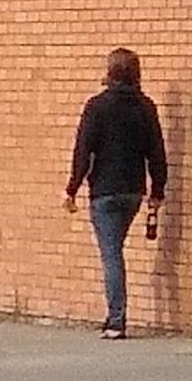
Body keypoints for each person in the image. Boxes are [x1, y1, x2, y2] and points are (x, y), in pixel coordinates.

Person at [63, 47, 170, 339]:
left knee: (111, 254)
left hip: (105, 193)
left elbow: (83, 152)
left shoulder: (97, 106)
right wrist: (157, 190)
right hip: (134, 191)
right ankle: (115, 316)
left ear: (110, 72)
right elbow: (156, 152)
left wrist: (72, 188)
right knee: (116, 249)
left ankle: (116, 319)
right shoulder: (145, 106)